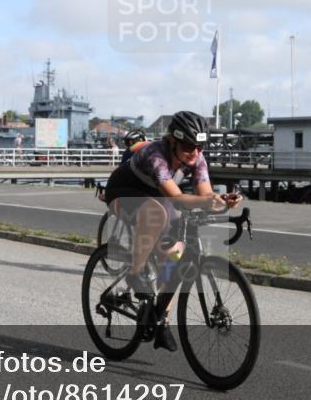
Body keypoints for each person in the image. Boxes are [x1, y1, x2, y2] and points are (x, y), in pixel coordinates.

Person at [103, 111, 241, 351]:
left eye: (200, 146)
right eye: (189, 146)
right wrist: (207, 201)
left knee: (175, 255)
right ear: (172, 141)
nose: (195, 152)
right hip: (123, 192)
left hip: (157, 198)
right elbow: (175, 196)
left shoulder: (197, 157)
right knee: (156, 212)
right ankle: (135, 273)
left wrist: (221, 200)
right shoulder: (156, 155)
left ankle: (161, 319)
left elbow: (205, 195)